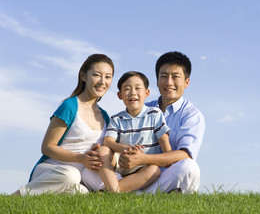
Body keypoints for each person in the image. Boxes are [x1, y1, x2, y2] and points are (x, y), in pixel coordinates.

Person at [83, 51, 205, 193]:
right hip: (128, 172)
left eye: (175, 77)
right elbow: (110, 142)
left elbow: (185, 155)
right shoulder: (143, 107)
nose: (169, 82)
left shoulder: (192, 115)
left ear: (186, 82)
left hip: (162, 175)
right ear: (157, 81)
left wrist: (143, 159)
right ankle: (130, 192)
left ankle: (124, 193)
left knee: (189, 167)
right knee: (89, 170)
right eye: (164, 76)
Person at [12, 54, 114, 195]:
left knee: (82, 193)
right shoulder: (70, 106)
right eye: (97, 75)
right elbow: (47, 147)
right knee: (71, 175)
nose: (103, 81)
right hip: (53, 171)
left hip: (79, 179)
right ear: (83, 76)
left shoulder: (105, 116)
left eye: (108, 77)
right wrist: (81, 158)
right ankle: (16, 196)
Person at [94, 71, 172, 192]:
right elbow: (108, 141)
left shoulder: (155, 114)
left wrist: (169, 163)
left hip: (144, 168)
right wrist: (126, 148)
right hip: (121, 166)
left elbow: (166, 147)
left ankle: (111, 191)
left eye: (137, 88)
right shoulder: (116, 119)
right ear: (120, 95)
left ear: (147, 93)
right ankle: (114, 189)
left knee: (154, 170)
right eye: (127, 89)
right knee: (102, 150)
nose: (132, 93)